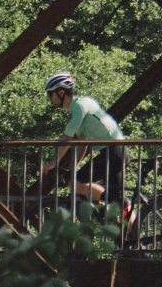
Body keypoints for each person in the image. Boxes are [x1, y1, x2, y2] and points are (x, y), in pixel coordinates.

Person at [41, 71, 127, 217]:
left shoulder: (79, 107)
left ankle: (115, 202)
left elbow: (66, 139)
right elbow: (82, 144)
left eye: (51, 94)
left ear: (61, 92)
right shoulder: (80, 106)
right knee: (121, 203)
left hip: (113, 153)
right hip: (116, 152)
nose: (49, 98)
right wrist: (73, 167)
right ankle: (131, 233)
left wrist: (52, 164)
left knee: (75, 184)